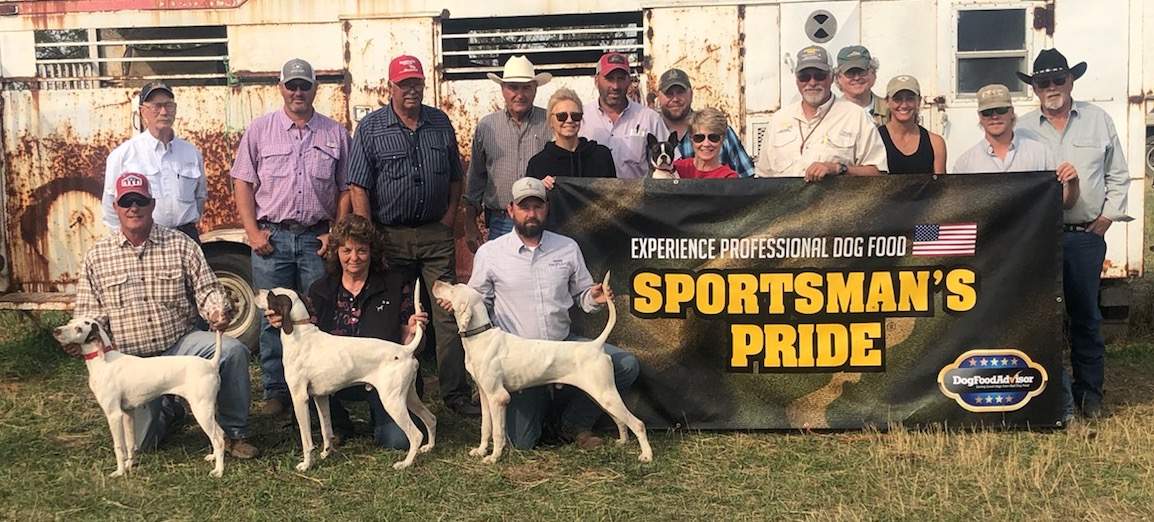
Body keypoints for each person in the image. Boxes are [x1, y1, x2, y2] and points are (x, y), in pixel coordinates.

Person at [70, 172, 258, 458]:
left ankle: (233, 433)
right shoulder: (97, 256)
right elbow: (88, 313)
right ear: (116, 207)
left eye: (140, 201)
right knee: (142, 447)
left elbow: (207, 288)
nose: (134, 208)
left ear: (152, 204)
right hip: (131, 360)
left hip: (179, 345)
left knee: (232, 351)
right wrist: (79, 338)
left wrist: (218, 308)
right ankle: (170, 409)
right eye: (126, 202)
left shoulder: (180, 244)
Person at [452, 177, 640, 450]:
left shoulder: (567, 247)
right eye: (524, 207)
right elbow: (478, 301)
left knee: (625, 366)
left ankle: (572, 423)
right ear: (510, 210)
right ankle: (542, 412)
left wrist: (595, 297)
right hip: (517, 357)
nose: (531, 213)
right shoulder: (490, 253)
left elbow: (583, 296)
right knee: (521, 441)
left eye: (537, 207)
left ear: (546, 209)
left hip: (562, 345)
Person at [347, 55, 479, 417]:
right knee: (395, 313)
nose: (411, 90)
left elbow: (456, 176)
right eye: (404, 84)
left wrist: (451, 218)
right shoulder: (372, 128)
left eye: (417, 83)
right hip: (390, 236)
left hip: (435, 234)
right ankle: (405, 388)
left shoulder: (439, 122)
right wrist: (369, 235)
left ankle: (455, 394)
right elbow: (359, 185)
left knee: (447, 314)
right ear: (390, 87)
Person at [230, 58, 350, 417]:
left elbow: (346, 188)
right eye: (291, 85)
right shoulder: (260, 130)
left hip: (316, 239)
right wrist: (252, 232)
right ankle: (277, 390)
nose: (298, 92)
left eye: (305, 85)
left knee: (317, 315)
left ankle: (319, 390)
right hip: (273, 240)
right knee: (273, 319)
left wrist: (335, 232)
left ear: (316, 89)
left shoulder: (335, 133)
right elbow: (243, 181)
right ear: (280, 88)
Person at [1017, 49, 1131, 420]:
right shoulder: (1022, 128)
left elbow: (1118, 176)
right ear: (1034, 88)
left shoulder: (1099, 120)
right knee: (1040, 318)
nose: (1051, 87)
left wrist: (1104, 221)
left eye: (1058, 80)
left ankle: (1090, 394)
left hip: (1084, 236)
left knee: (1085, 316)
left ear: (1071, 81)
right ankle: (1049, 392)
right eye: (1043, 82)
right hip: (1039, 239)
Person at [264, 215, 430, 448]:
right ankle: (337, 428)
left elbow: (411, 345)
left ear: (372, 252)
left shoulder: (395, 284)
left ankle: (381, 418)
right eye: (347, 250)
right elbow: (304, 332)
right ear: (336, 253)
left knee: (397, 441)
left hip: (380, 372)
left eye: (362, 251)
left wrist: (412, 332)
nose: (354, 258)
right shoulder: (320, 290)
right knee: (304, 388)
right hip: (334, 378)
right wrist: (282, 321)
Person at [755, 45, 888, 181]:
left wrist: (839, 169)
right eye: (804, 77)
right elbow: (762, 177)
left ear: (831, 78)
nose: (812, 82)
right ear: (796, 80)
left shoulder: (856, 116)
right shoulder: (778, 119)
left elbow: (879, 173)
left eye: (819, 76)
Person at [464, 55, 553, 243]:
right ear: (503, 89)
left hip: (542, 220)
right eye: (513, 87)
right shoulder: (487, 127)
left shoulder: (551, 123)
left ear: (535, 89)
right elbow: (475, 180)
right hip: (500, 220)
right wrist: (470, 224)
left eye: (526, 87)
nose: (519, 95)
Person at [102, 81, 206, 242]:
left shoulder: (191, 153)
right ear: (143, 112)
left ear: (175, 109)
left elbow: (200, 197)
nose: (164, 112)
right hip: (144, 238)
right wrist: (126, 242)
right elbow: (110, 206)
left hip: (186, 237)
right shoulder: (123, 155)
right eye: (156, 106)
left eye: (168, 105)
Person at [954, 84, 1079, 206]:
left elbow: (1063, 203)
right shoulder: (965, 164)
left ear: (1011, 112)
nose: (994, 116)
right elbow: (959, 210)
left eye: (1001, 110)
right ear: (980, 116)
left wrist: (1073, 183)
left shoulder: (1040, 153)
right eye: (987, 112)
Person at [579, 52, 670, 180]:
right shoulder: (579, 118)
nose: (615, 86)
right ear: (596, 80)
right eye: (609, 78)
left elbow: (672, 163)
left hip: (638, 199)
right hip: (590, 199)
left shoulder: (649, 119)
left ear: (628, 80)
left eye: (621, 78)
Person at [657, 68, 755, 177]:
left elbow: (747, 178)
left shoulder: (720, 129)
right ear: (658, 96)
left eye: (680, 92)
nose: (675, 98)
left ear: (691, 93)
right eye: (669, 93)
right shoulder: (651, 129)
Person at [525, 87, 616, 189]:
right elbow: (530, 203)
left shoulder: (601, 156)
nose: (569, 120)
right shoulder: (538, 164)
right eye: (561, 116)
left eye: (575, 116)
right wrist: (538, 188)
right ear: (551, 121)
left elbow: (614, 197)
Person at [877, 75, 946, 174]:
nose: (904, 105)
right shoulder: (875, 140)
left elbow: (941, 186)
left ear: (919, 101)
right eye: (897, 99)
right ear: (887, 102)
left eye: (910, 99)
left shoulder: (936, 143)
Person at [672, 107, 738, 179]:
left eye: (713, 137)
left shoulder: (729, 177)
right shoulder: (676, 169)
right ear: (691, 139)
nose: (706, 144)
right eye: (699, 138)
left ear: (722, 140)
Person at [835, 45, 889, 125]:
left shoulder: (891, 110)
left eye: (861, 71)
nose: (856, 78)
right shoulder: (831, 114)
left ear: (873, 73)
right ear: (839, 78)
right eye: (850, 73)